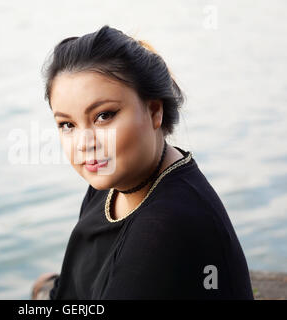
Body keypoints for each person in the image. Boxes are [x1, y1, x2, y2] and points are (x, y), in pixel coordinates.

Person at [31, 25, 254, 300]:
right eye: (67, 124)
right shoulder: (110, 183)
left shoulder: (166, 228)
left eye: (104, 116)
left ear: (154, 111)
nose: (84, 143)